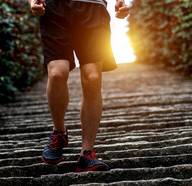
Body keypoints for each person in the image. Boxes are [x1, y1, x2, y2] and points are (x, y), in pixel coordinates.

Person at [28, 0, 130, 172]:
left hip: (93, 6)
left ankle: (87, 153)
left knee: (93, 77)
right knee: (56, 73)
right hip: (54, 7)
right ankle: (59, 131)